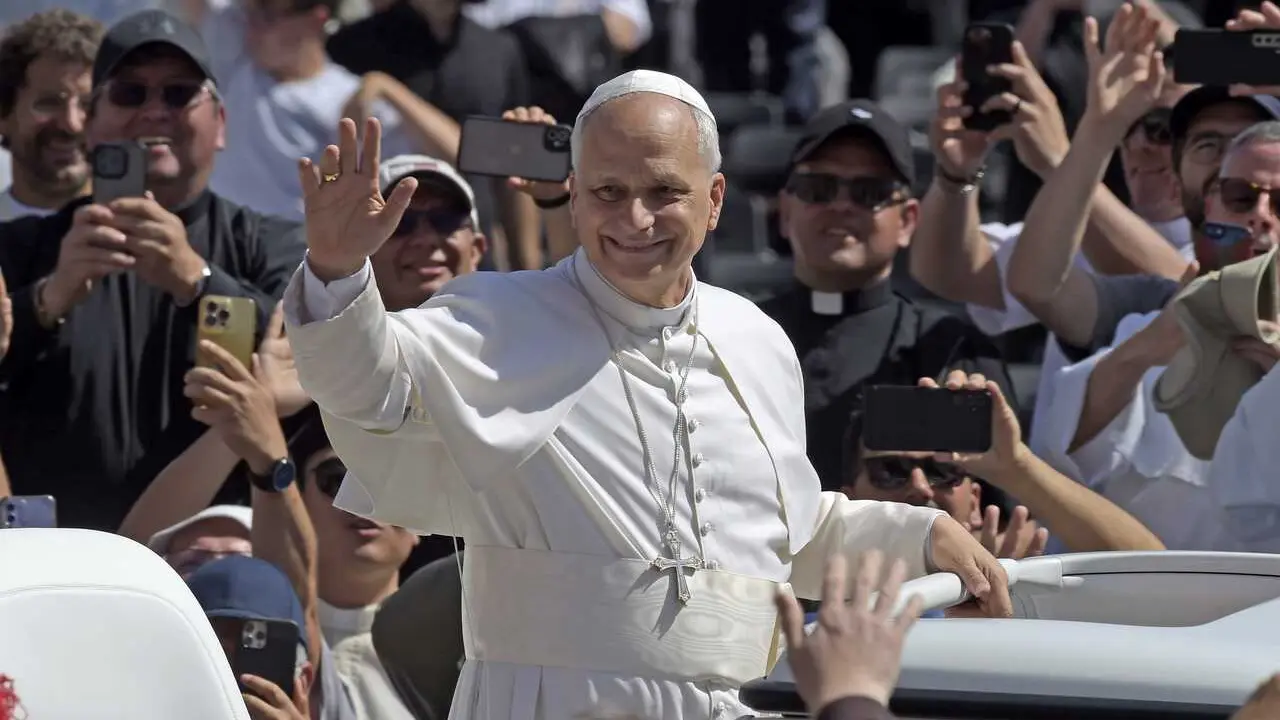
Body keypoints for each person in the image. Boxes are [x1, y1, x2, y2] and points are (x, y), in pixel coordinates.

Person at [284, 69, 1009, 719]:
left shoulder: (756, 337)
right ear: (573, 196)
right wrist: (339, 272)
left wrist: (916, 535)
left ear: (716, 199)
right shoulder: (495, 318)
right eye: (608, 192)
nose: (634, 219)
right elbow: (366, 390)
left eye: (664, 192)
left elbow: (777, 532)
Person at [0, 9, 306, 530]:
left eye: (179, 92)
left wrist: (199, 283)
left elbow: (303, 368)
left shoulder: (271, 243)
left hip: (216, 562)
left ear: (222, 124)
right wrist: (49, 300)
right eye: (130, 94)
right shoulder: (17, 249)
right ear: (90, 126)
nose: (154, 111)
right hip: (60, 557)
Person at [758, 98, 1014, 490]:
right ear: (786, 211)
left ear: (908, 220)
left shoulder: (949, 347)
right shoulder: (735, 337)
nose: (841, 205)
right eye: (818, 188)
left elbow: (995, 496)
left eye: (870, 192)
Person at [0, 10, 101, 220]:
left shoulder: (137, 232)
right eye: (49, 103)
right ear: (4, 115)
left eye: (87, 105)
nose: (72, 124)